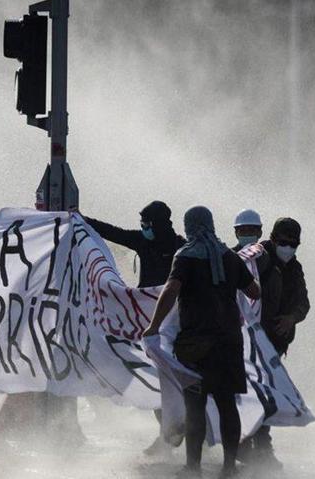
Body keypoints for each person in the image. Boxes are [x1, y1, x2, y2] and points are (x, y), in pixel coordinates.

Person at [143, 206, 261, 479]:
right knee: (226, 403)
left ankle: (193, 467)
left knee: (194, 406)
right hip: (229, 343)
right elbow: (253, 291)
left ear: (189, 226)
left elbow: (172, 290)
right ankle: (229, 467)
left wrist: (154, 326)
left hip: (195, 344)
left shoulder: (184, 257)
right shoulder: (230, 258)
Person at [85, 201, 186, 455]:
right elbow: (111, 232)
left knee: (176, 378)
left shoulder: (180, 248)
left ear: (160, 222)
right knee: (154, 378)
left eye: (147, 223)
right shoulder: (143, 241)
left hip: (175, 323)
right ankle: (168, 434)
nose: (143, 228)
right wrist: (80, 219)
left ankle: (182, 433)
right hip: (146, 322)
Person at [240, 217, 310, 467]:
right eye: (283, 242)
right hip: (248, 340)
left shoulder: (295, 268)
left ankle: (258, 446)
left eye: (294, 244)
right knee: (251, 393)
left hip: (274, 344)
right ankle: (247, 445)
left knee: (264, 394)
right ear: (272, 238)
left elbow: (304, 303)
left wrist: (291, 318)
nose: (288, 248)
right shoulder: (258, 258)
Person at [84, 200, 186, 288]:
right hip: (145, 300)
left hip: (170, 302)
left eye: (146, 225)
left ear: (158, 224)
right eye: (141, 224)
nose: (143, 229)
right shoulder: (141, 240)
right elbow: (114, 233)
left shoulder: (180, 246)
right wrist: (86, 221)